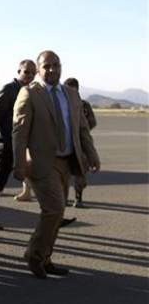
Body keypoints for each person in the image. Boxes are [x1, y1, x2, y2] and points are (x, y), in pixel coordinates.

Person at [13, 50, 100, 279]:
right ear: (39, 69)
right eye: (46, 66)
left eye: (55, 65)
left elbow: (82, 129)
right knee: (54, 209)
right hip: (42, 162)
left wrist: (91, 155)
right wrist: (19, 163)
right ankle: (34, 255)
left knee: (57, 212)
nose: (51, 70)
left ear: (61, 67)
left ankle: (45, 257)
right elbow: (19, 132)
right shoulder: (29, 93)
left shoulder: (71, 95)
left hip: (66, 161)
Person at [0, 60, 37, 229]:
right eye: (27, 72)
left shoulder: (33, 91)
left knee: (40, 178)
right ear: (19, 71)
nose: (30, 76)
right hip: (5, 144)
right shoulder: (9, 89)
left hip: (24, 145)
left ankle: (52, 216)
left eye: (33, 73)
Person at [63, 77, 97, 208]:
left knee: (80, 172)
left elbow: (92, 122)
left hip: (79, 144)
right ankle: (64, 199)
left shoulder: (83, 105)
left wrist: (82, 132)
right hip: (65, 143)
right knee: (63, 173)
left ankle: (78, 197)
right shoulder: (61, 103)